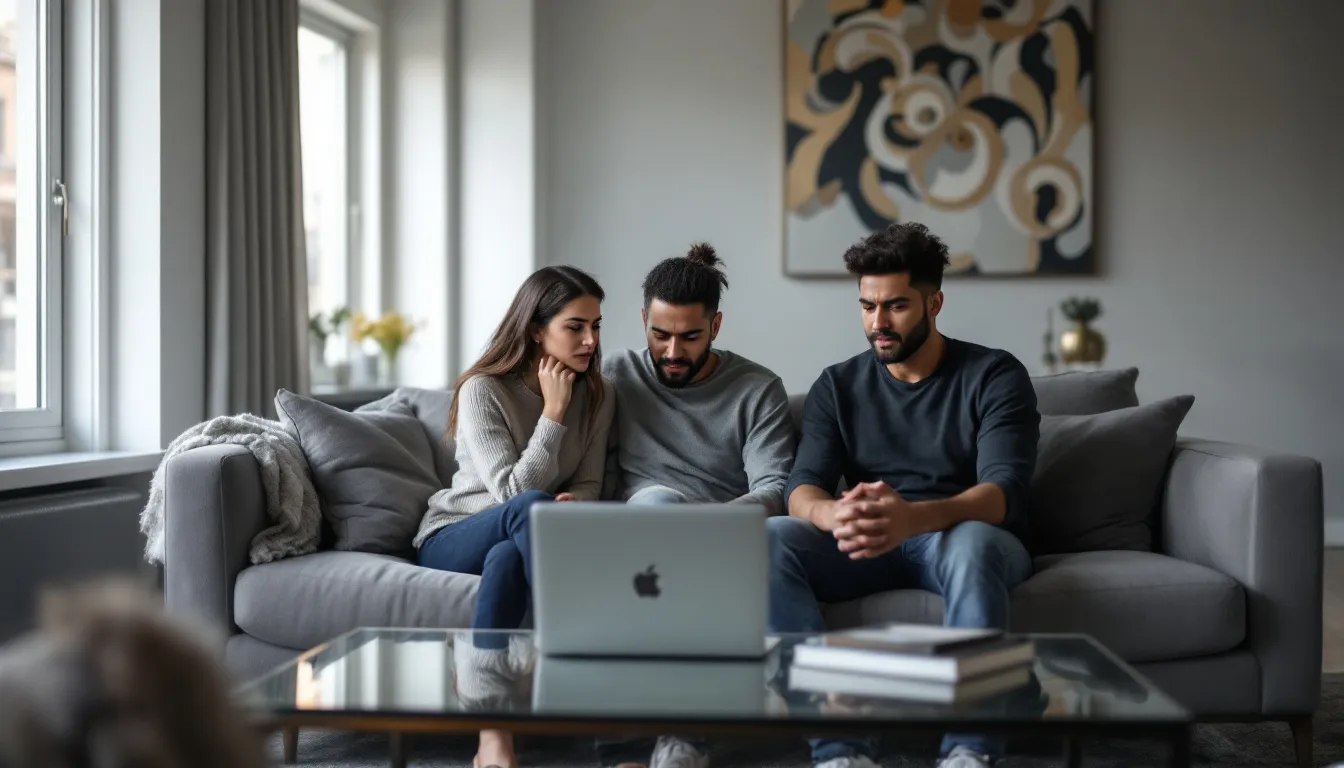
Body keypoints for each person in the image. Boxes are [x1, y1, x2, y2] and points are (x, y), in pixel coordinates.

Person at [769, 222, 1040, 768]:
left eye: (895, 306)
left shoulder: (994, 374)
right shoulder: (837, 385)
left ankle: (970, 750)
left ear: (934, 301)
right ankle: (840, 749)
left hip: (961, 538)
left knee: (972, 545)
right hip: (872, 541)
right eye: (867, 306)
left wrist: (913, 519)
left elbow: (1003, 493)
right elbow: (802, 488)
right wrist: (834, 513)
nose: (877, 322)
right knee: (774, 538)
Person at [597, 243, 797, 768]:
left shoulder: (756, 388)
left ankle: (669, 737)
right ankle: (670, 737)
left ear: (716, 326)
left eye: (690, 337)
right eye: (659, 334)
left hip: (722, 531)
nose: (672, 352)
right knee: (658, 505)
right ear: (643, 319)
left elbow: (775, 485)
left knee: (668, 525)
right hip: (645, 524)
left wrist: (710, 524)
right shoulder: (614, 374)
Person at [416, 265, 616, 768]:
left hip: (527, 536)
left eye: (596, 325)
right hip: (453, 535)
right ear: (535, 329)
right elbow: (511, 492)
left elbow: (589, 482)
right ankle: (583, 642)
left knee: (509, 557)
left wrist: (578, 505)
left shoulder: (599, 394)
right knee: (527, 508)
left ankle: (493, 738)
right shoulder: (482, 389)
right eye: (576, 326)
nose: (591, 340)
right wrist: (552, 413)